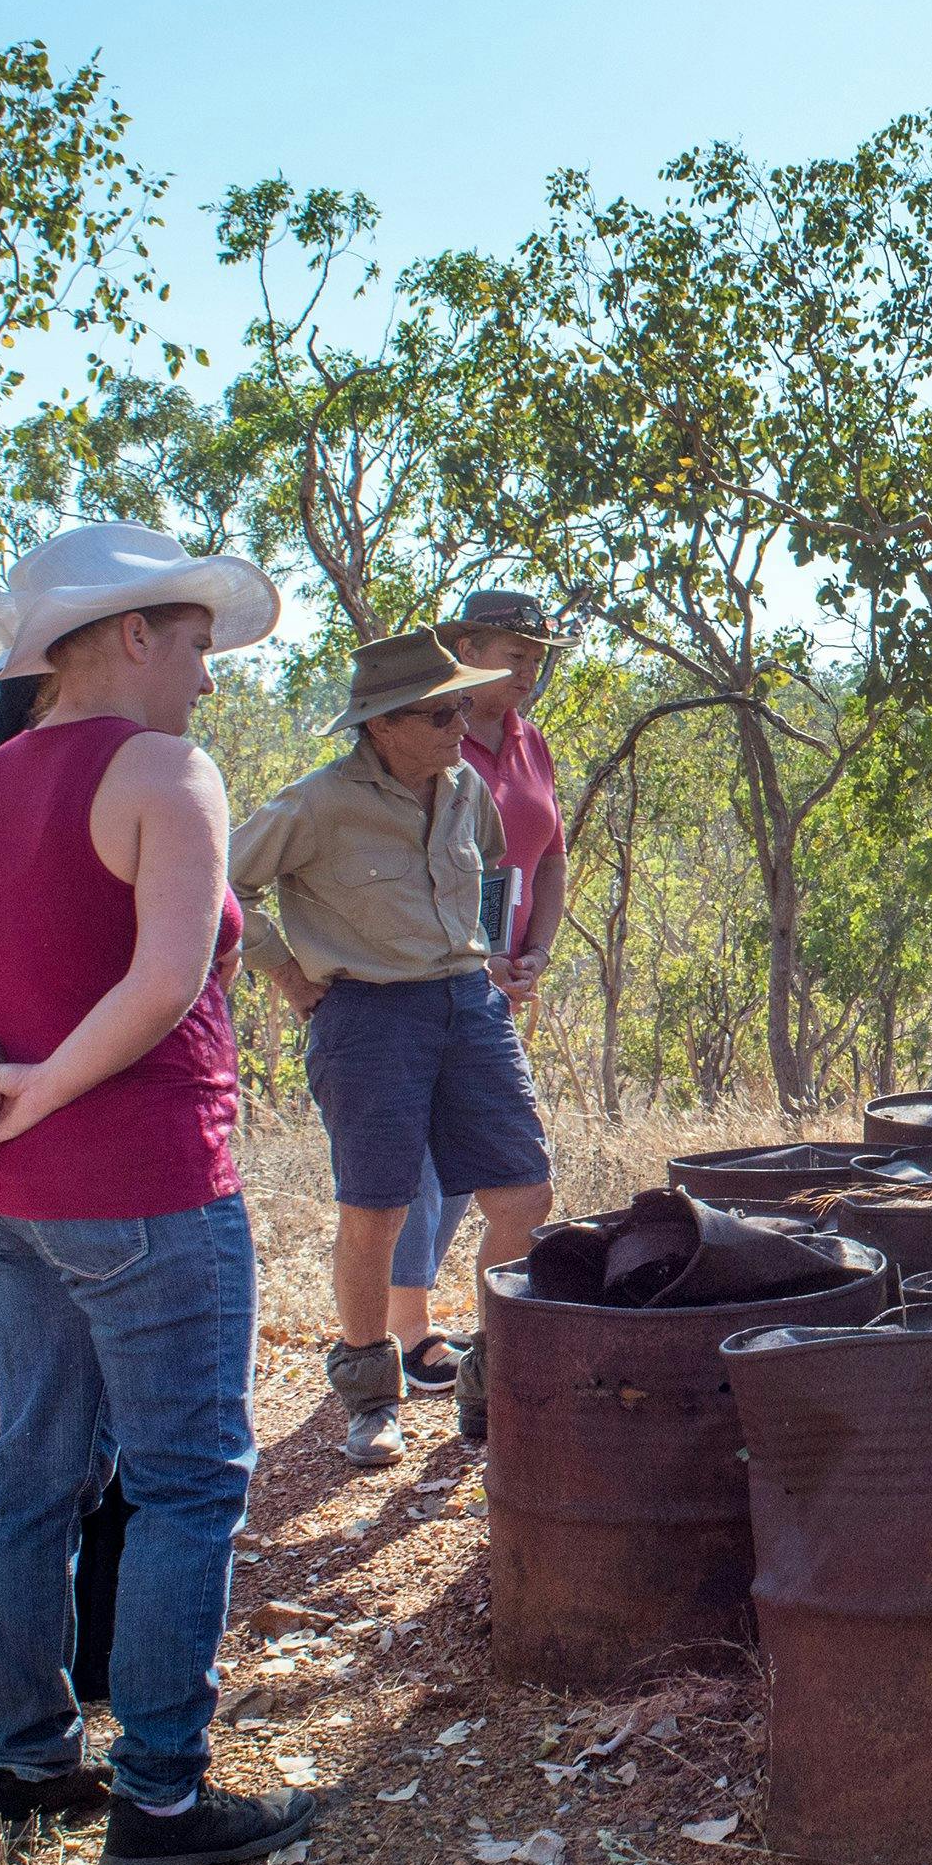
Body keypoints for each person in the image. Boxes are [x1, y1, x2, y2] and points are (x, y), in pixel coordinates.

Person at [0, 520, 316, 1865]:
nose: (208, 677)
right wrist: (31, 1084)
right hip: (143, 1179)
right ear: (132, 633)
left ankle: (30, 1773)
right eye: (196, 644)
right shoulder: (164, 771)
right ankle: (159, 1796)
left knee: (33, 1471)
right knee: (191, 1481)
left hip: (9, 1193)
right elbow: (163, 981)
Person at [229, 629, 554, 1471]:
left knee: (523, 1193)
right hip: (367, 1017)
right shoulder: (316, 804)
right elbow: (223, 891)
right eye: (439, 712)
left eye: (460, 707)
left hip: (467, 1006)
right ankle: (371, 1396)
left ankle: (496, 1381)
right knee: (377, 1207)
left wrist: (491, 955)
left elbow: (492, 872)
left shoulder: (462, 788)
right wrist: (287, 974)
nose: (459, 724)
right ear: (380, 723)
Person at [386, 589, 571, 1432]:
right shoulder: (425, 731)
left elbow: (551, 853)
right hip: (425, 983)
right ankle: (400, 1340)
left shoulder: (531, 744)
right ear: (464, 646)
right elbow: (402, 866)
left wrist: (537, 950)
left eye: (537, 657)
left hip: (504, 982)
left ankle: (466, 1347)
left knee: (489, 1164)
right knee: (415, 1165)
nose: (527, 670)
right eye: (512, 652)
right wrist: (474, 955)